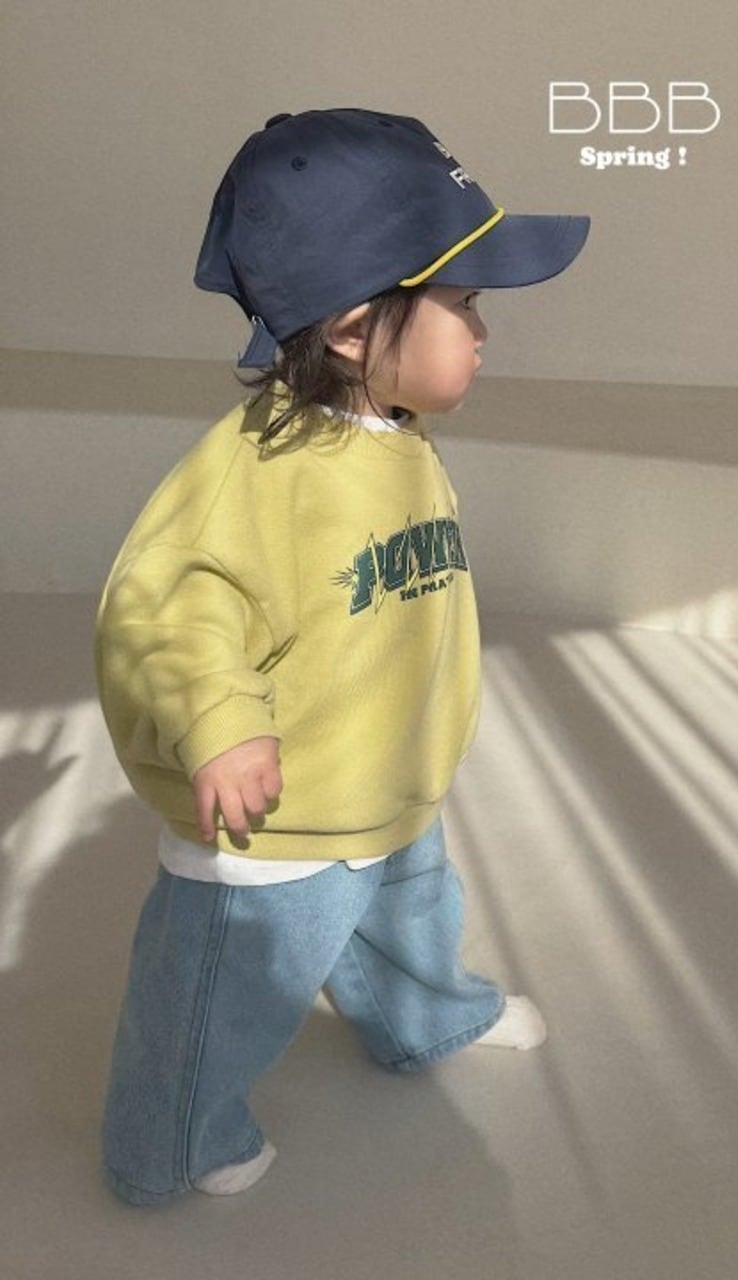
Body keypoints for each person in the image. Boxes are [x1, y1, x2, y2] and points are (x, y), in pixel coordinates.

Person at [94, 108, 589, 1206]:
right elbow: (168, 602)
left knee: (412, 921)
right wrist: (221, 722)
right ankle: (169, 1143)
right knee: (216, 1001)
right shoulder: (261, 474)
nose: (482, 331)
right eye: (464, 304)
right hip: (276, 825)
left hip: (384, 780)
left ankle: (426, 1019)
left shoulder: (391, 432)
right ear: (357, 330)